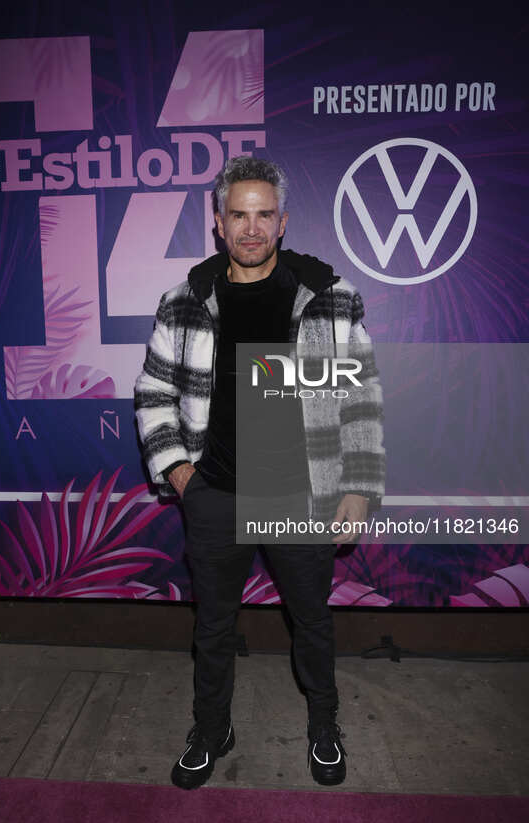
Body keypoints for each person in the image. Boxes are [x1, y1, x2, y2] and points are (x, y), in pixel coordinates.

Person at [134, 156, 385, 790]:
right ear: (217, 223)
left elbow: (359, 399)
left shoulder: (329, 297)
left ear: (283, 222)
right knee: (213, 625)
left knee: (311, 620)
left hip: (300, 494)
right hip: (214, 493)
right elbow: (153, 392)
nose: (251, 228)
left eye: (263, 214)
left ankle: (324, 725)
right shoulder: (185, 301)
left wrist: (356, 487)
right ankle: (211, 728)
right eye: (237, 215)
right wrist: (181, 474)